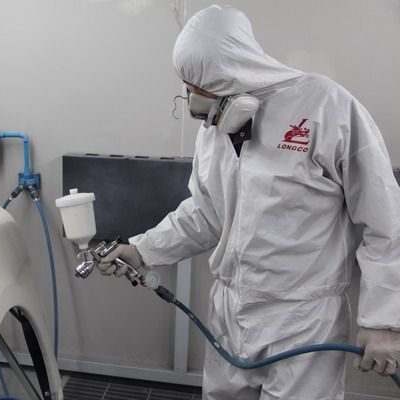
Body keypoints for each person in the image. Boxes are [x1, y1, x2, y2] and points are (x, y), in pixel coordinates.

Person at [99, 5, 400, 399]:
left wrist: (382, 321)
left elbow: (385, 219)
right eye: (187, 85)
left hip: (303, 318)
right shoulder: (215, 128)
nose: (191, 97)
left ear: (229, 73)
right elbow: (205, 213)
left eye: (198, 85)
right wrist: (142, 250)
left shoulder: (326, 106)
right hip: (229, 310)